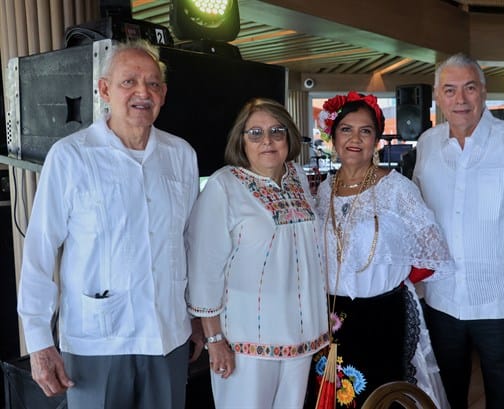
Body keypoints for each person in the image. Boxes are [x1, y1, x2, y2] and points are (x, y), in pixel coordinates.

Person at [17, 39, 202, 409]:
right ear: (104, 90)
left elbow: (190, 242)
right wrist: (38, 340)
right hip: (96, 341)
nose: (142, 92)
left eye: (152, 84)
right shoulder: (71, 155)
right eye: (128, 81)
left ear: (163, 94)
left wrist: (197, 315)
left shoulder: (180, 154)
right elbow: (39, 246)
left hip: (167, 334)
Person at [412, 53, 504, 409]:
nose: (460, 100)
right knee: (446, 397)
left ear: (483, 91)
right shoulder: (428, 145)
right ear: (438, 96)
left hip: (502, 302)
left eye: (469, 88)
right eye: (450, 90)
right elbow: (418, 219)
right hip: (441, 299)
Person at [311, 91, 453, 408]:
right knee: (336, 395)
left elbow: (432, 250)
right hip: (332, 316)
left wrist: (391, 279)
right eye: (346, 129)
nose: (355, 139)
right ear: (333, 136)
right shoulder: (324, 189)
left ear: (376, 141)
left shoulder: (396, 188)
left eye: (366, 131)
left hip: (382, 315)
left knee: (381, 394)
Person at [186, 98, 329, 409]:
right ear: (241, 140)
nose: (268, 140)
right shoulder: (224, 185)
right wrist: (214, 340)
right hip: (245, 341)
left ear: (289, 137)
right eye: (256, 133)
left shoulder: (297, 177)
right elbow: (204, 267)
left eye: (277, 131)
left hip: (300, 340)